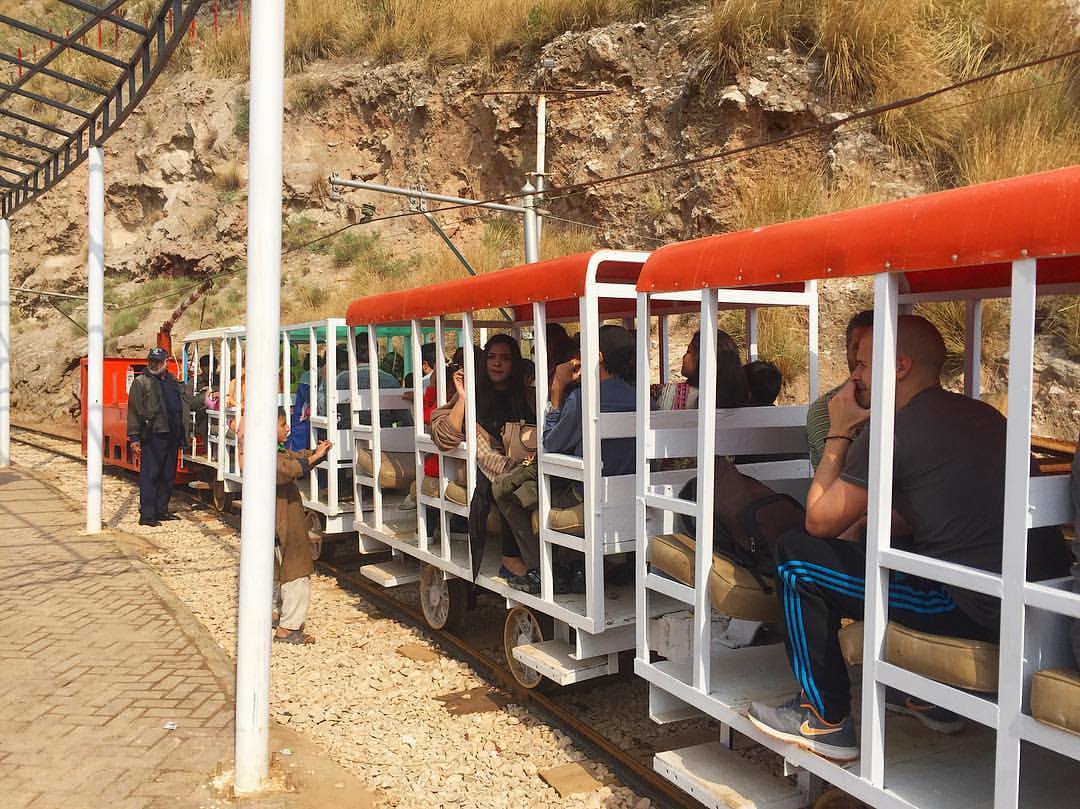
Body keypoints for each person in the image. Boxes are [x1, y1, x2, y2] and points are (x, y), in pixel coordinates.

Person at [748, 316, 1069, 761]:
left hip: (974, 606)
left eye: (861, 365)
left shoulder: (894, 429)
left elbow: (818, 523)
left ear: (898, 367)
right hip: (1039, 605)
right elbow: (928, 517)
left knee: (796, 557)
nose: (854, 376)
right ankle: (926, 696)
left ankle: (823, 718)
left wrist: (840, 431)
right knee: (885, 550)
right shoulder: (983, 416)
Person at [504, 325, 637, 594]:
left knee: (506, 491)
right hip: (630, 495)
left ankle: (541, 570)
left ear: (598, 357)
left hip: (586, 495)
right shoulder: (642, 397)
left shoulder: (582, 398)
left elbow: (550, 445)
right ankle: (574, 565)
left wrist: (557, 389)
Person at [430, 335, 534, 580]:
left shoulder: (527, 395)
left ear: (514, 363)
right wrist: (464, 397)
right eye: (492, 357)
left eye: (505, 358)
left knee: (523, 482)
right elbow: (446, 437)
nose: (497, 364)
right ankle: (510, 557)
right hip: (483, 470)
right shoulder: (474, 393)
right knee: (508, 487)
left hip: (523, 462)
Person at [273, 408, 332, 644]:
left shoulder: (273, 449)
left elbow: (293, 459)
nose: (288, 428)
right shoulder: (269, 454)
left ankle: (279, 614)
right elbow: (288, 469)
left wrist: (315, 454)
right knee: (297, 571)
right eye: (283, 424)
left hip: (281, 520)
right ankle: (289, 627)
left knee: (279, 571)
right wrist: (315, 457)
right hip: (284, 521)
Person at [127, 347, 191, 527]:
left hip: (173, 433)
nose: (153, 364)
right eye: (151, 361)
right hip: (153, 434)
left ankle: (161, 510)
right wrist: (134, 438)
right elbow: (133, 411)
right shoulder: (141, 382)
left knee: (167, 474)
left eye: (157, 361)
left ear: (166, 362)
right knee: (151, 474)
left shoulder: (173, 381)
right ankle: (147, 514)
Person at [806, 310, 873, 468]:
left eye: (872, 349)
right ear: (846, 350)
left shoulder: (903, 402)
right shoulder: (825, 409)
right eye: (857, 347)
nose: (861, 356)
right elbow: (842, 475)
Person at [653, 329, 749, 410]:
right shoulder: (743, 397)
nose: (684, 356)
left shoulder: (669, 395)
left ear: (702, 358)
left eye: (689, 352)